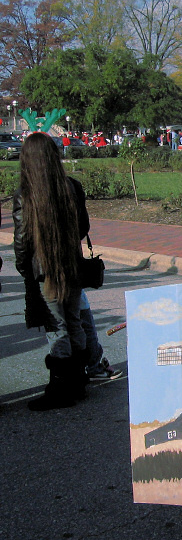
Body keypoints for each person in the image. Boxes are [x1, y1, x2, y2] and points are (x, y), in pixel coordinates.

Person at [12, 132, 90, 410]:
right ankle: (78, 382)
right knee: (74, 322)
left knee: (57, 328)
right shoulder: (72, 186)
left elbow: (23, 241)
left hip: (46, 270)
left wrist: (25, 270)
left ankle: (61, 388)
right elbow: (83, 228)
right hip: (72, 266)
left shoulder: (26, 195)